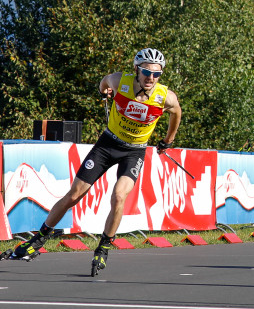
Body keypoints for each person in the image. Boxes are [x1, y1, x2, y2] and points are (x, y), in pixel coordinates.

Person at [1, 48, 182, 276]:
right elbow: (104, 82)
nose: (151, 78)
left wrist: (168, 141)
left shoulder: (166, 96)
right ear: (136, 69)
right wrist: (103, 91)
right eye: (147, 72)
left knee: (119, 196)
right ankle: (39, 239)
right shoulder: (120, 81)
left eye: (157, 74)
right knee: (75, 194)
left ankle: (104, 246)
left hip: (134, 152)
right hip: (107, 145)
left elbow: (176, 112)